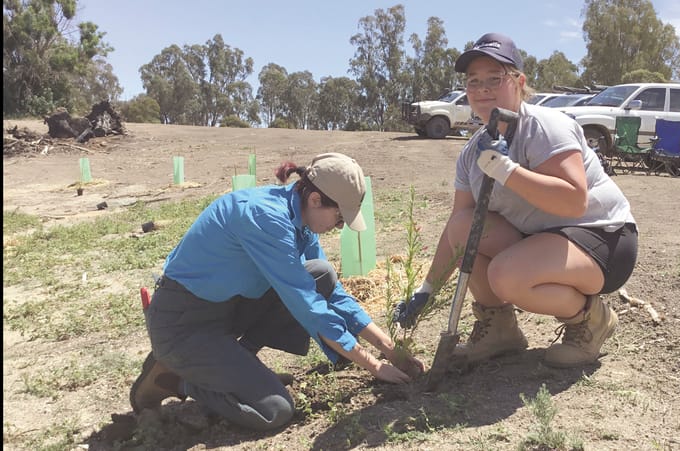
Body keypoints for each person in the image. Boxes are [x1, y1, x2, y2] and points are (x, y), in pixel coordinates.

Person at [393, 33, 638, 369]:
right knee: (465, 228)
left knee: (506, 275)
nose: (482, 89)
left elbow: (573, 202)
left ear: (520, 82)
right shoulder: (471, 153)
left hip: (601, 237)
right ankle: (500, 331)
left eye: (495, 78)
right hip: (541, 240)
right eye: (473, 81)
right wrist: (426, 288)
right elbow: (457, 228)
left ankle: (590, 320)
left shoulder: (546, 127)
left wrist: (505, 170)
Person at [130, 152, 423, 432]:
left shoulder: (301, 216)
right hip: (183, 325)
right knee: (275, 410)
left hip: (224, 311)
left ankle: (239, 370)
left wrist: (388, 348)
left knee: (320, 272)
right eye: (338, 217)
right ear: (315, 198)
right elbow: (308, 305)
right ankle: (175, 379)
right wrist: (373, 365)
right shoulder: (266, 218)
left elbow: (329, 293)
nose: (340, 226)